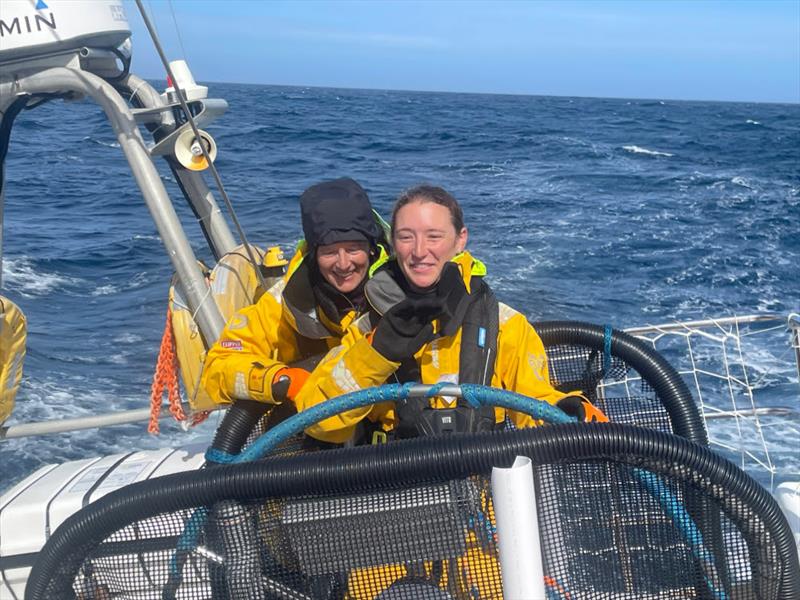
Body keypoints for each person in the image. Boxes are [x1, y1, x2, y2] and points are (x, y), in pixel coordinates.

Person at [294, 184, 602, 446]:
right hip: (391, 495)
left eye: (434, 236)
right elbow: (316, 421)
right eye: (406, 236)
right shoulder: (366, 328)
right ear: (392, 243)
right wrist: (376, 354)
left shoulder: (506, 325)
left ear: (460, 239)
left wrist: (569, 410)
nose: (419, 251)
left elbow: (535, 406)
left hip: (482, 498)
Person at [201, 177, 388, 408]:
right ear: (313, 253)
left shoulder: (402, 291)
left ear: (371, 248)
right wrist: (281, 380)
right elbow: (217, 367)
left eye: (352, 249)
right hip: (318, 428)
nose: (343, 263)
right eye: (329, 252)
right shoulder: (284, 301)